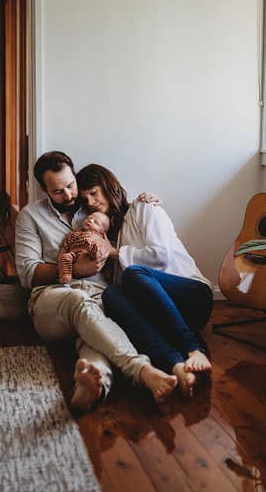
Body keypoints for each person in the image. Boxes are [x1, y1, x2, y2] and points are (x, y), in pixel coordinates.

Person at [13, 150, 178, 409]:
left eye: (70, 186)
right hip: (53, 300)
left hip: (99, 297)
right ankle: (141, 370)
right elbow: (27, 273)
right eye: (57, 191)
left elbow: (125, 205)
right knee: (80, 302)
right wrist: (74, 270)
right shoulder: (30, 216)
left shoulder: (95, 207)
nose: (68, 196)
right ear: (43, 189)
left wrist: (148, 199)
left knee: (94, 333)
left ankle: (91, 389)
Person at [76, 163, 215, 400]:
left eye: (93, 193)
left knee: (133, 275)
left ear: (108, 186)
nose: (90, 202)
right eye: (85, 198)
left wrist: (115, 253)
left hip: (193, 295)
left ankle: (195, 348)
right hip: (165, 314)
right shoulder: (112, 236)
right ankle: (176, 366)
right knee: (111, 296)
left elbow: (161, 256)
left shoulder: (143, 207)